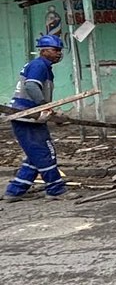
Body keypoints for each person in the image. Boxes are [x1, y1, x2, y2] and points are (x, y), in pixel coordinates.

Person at [3, 35, 77, 202]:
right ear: (44, 51)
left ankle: (15, 191)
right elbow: (31, 85)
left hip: (31, 116)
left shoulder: (44, 66)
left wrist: (50, 113)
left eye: (59, 51)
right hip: (27, 116)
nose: (59, 54)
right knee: (45, 153)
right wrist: (44, 106)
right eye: (55, 50)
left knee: (35, 155)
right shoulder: (39, 65)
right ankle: (55, 189)